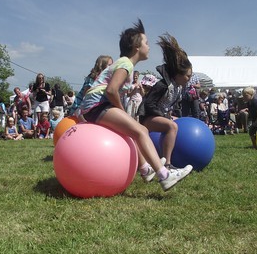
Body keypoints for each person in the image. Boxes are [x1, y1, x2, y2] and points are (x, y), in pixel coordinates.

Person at [79, 20, 192, 191]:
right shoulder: (125, 63)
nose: (149, 46)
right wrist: (121, 110)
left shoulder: (126, 65)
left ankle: (146, 168)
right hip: (96, 104)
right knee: (141, 131)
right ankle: (165, 175)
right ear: (136, 47)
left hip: (94, 105)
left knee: (132, 131)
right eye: (146, 43)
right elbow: (111, 90)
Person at [137, 33, 196, 169]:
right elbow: (148, 104)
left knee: (173, 124)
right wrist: (163, 116)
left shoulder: (178, 88)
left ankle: (165, 158)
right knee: (171, 126)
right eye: (188, 76)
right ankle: (168, 164)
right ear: (178, 74)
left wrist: (168, 116)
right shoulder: (163, 85)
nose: (189, 79)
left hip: (159, 117)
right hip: (147, 119)